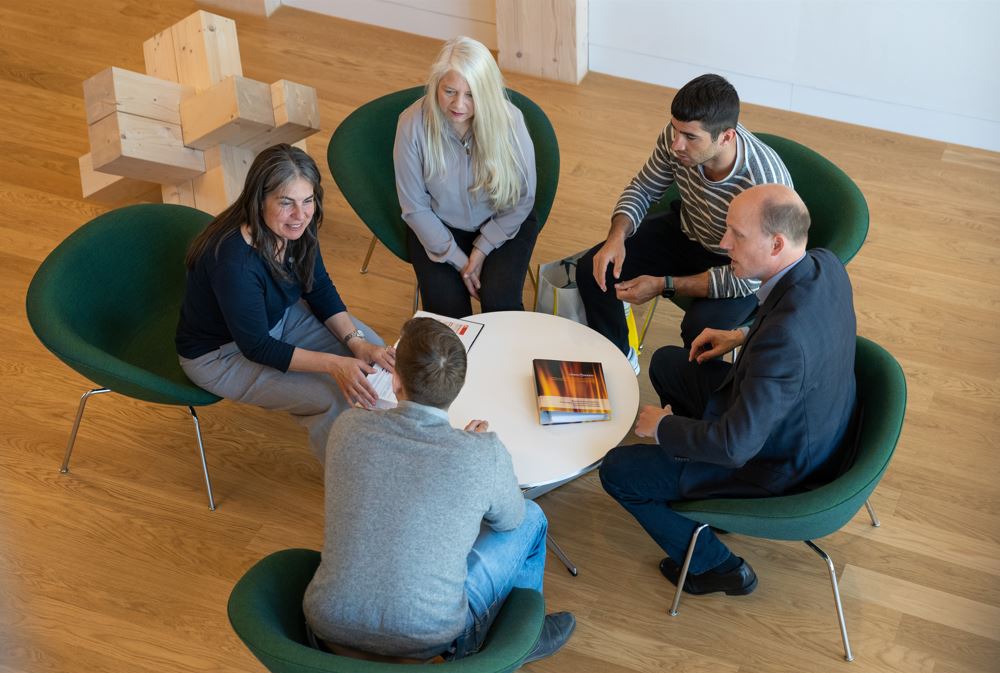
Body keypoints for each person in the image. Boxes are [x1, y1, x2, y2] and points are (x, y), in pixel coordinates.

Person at [599, 184, 857, 595]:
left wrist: (662, 427)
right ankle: (692, 479)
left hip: (773, 462)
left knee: (618, 470)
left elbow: (736, 446)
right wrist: (742, 335)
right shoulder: (824, 264)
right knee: (668, 363)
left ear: (776, 244)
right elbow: (797, 334)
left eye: (737, 234)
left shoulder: (783, 343)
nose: (723, 243)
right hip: (808, 418)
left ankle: (716, 567)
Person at [303, 317, 574, 663]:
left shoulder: (348, 427)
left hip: (326, 623)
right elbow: (510, 520)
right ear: (458, 386)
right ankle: (519, 640)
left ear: (395, 380)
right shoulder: (482, 454)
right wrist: (470, 453)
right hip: (428, 638)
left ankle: (514, 636)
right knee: (532, 518)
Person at [176, 144, 394, 460]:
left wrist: (357, 343)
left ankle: (382, 451)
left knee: (376, 358)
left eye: (308, 200)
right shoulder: (234, 263)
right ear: (259, 200)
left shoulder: (297, 225)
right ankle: (350, 480)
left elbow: (318, 287)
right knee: (335, 396)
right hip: (223, 355)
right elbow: (257, 347)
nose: (300, 215)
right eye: (286, 202)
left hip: (279, 316)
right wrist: (335, 365)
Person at [577, 74, 792, 373]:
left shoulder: (765, 184)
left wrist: (664, 285)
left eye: (690, 137)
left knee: (700, 331)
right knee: (593, 270)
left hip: (739, 263)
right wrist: (616, 237)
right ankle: (620, 361)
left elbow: (751, 276)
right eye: (676, 130)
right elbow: (644, 189)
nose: (676, 144)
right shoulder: (677, 136)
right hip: (688, 229)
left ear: (726, 137)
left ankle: (690, 397)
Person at [394, 36, 537, 319]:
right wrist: (461, 262)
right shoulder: (411, 125)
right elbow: (415, 207)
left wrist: (481, 249)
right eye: (449, 91)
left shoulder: (511, 121)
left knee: (500, 304)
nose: (458, 104)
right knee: (448, 316)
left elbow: (523, 197)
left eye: (471, 95)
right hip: (439, 225)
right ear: (436, 84)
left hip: (503, 220)